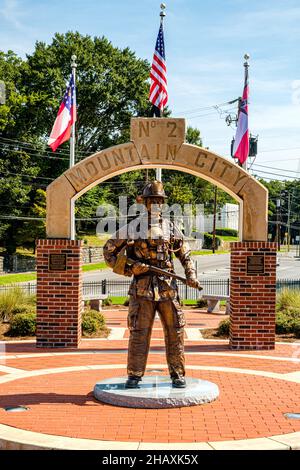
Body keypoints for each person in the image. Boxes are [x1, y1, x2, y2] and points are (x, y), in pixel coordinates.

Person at [103, 181, 201, 388]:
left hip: (167, 288)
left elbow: (186, 254)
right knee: (139, 332)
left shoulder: (172, 228)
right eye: (152, 200)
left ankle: (177, 374)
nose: (155, 204)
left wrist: (191, 274)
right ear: (145, 203)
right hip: (142, 289)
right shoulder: (132, 227)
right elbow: (108, 251)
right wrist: (130, 268)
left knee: (175, 331)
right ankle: (135, 374)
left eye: (159, 200)